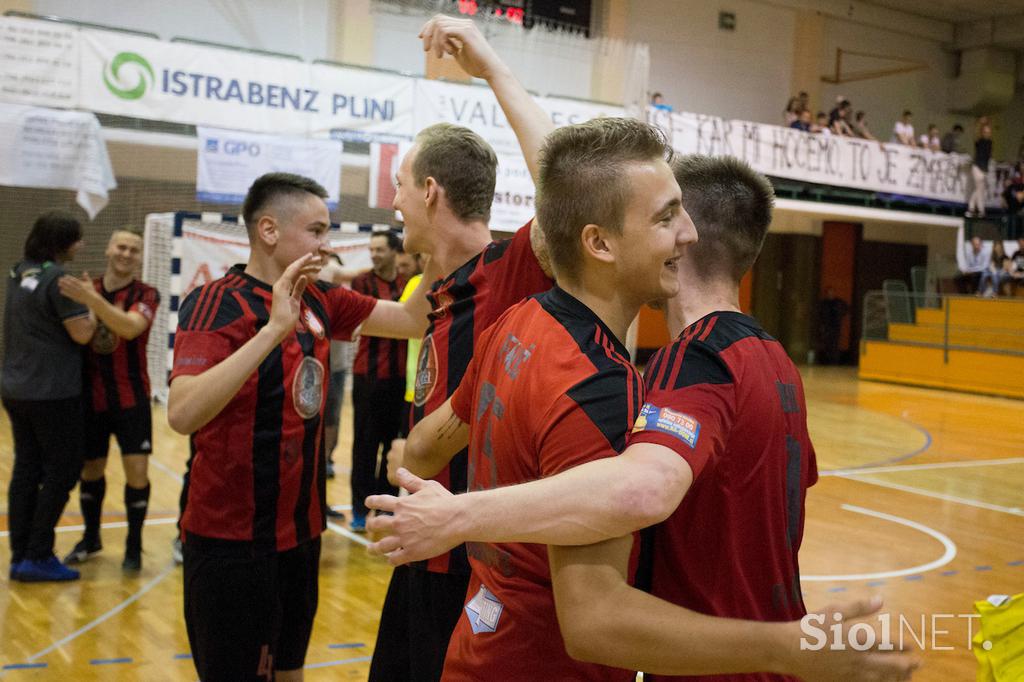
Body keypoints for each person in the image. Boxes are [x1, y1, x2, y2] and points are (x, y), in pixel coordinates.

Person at [368, 153, 917, 681]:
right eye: (664, 215)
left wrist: (455, 513)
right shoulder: (776, 363)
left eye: (676, 214)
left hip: (700, 664)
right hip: (743, 654)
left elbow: (637, 500)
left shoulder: (592, 348)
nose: (681, 231)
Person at [166, 171, 435, 682]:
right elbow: (182, 413)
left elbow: (412, 319)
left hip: (302, 538)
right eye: (315, 231)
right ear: (269, 231)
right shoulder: (215, 302)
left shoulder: (322, 300)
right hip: (230, 545)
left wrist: (437, 239)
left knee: (290, 674)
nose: (327, 245)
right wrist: (272, 330)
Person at [367, 16, 555, 682]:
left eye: (399, 186)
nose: (392, 202)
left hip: (477, 567)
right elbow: (384, 316)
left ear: (429, 191)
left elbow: (565, 186)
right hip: (423, 549)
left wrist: (493, 67)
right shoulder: (435, 290)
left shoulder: (508, 271)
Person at [58, 227, 160, 572]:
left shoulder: (147, 294)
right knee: (91, 469)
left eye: (133, 250)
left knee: (137, 473)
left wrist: (92, 302)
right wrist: (89, 300)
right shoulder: (89, 289)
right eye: (121, 247)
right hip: (90, 399)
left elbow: (130, 328)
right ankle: (90, 537)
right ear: (108, 249)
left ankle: (133, 546)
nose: (126, 254)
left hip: (132, 398)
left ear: (140, 257)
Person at [4, 211, 96, 582]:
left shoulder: (17, 272)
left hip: (16, 387)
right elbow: (83, 334)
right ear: (63, 243)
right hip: (52, 392)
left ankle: (20, 553)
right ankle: (39, 552)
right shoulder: (59, 279)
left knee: (26, 468)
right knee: (63, 469)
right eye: (77, 239)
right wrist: (90, 302)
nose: (82, 245)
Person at [349, 230, 409, 531]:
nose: (374, 254)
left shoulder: (407, 282)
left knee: (392, 446)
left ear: (394, 252)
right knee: (364, 445)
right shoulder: (361, 283)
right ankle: (360, 509)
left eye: (380, 249)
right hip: (368, 377)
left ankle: (385, 507)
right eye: (371, 249)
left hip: (400, 380)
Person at [318, 252, 353, 516]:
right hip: (316, 370)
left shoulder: (344, 303)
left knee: (332, 422)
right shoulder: (317, 298)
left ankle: (326, 460)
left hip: (337, 369)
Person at [818, 286, 849, 365]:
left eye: (832, 292)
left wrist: (841, 315)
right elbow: (820, 314)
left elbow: (846, 308)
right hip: (827, 327)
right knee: (827, 344)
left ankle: (834, 361)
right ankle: (826, 361)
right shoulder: (824, 303)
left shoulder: (838, 302)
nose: (830, 294)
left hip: (835, 326)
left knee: (835, 344)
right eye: (829, 292)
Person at [967, 123, 993, 218]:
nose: (987, 133)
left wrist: (986, 170)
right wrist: (980, 124)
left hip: (984, 168)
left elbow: (988, 157)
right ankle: (981, 210)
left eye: (988, 132)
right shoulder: (980, 141)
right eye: (985, 132)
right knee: (979, 189)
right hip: (977, 167)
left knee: (979, 189)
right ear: (983, 133)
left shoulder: (990, 142)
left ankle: (971, 209)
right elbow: (975, 135)